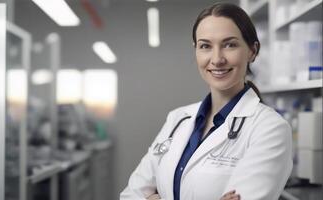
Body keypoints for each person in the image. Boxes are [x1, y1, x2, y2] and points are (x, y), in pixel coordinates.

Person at [120, 2, 292, 200]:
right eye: (205, 46)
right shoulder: (178, 118)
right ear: (196, 50)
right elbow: (130, 195)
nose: (217, 59)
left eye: (230, 45)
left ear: (252, 51)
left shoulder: (270, 129)